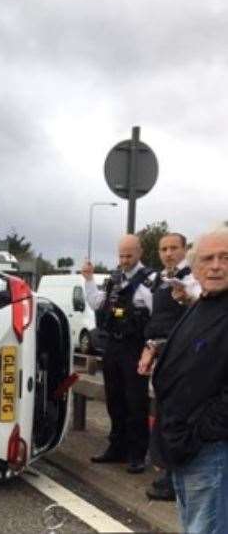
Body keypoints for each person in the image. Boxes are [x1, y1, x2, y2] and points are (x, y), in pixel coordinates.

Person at [152, 227, 228, 533]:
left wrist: (198, 433)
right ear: (194, 268)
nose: (215, 265)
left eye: (225, 258)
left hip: (210, 450)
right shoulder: (205, 303)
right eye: (207, 258)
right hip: (186, 447)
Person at [83, 234, 154, 474]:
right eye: (121, 255)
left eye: (129, 255)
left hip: (135, 347)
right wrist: (89, 279)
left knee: (136, 402)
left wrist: (151, 349)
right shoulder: (114, 279)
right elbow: (96, 303)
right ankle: (117, 447)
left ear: (140, 252)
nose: (124, 260)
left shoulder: (150, 280)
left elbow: (157, 316)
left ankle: (136, 454)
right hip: (113, 346)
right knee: (114, 399)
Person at [137, 233, 201, 501]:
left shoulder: (193, 278)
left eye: (174, 248)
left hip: (185, 357)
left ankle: (175, 476)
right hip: (161, 354)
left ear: (185, 249)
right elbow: (156, 319)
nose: (168, 253)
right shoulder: (158, 281)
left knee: (177, 416)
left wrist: (187, 297)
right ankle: (165, 471)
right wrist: (148, 346)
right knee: (161, 412)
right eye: (163, 249)